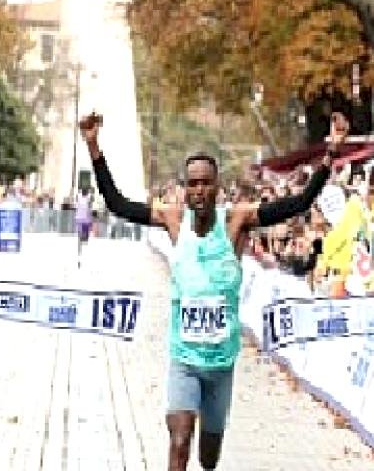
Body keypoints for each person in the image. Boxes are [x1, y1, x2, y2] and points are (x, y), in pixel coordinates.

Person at [80, 110, 348, 471]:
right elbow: (118, 204)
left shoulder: (236, 221)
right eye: (192, 184)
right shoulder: (174, 219)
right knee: (179, 441)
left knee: (208, 457)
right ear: (185, 189)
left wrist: (330, 153)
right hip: (184, 360)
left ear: (217, 187)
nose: (199, 191)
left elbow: (296, 205)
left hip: (221, 363)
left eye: (206, 183)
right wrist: (94, 146)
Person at [74, 186, 94, 260]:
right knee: (81, 232)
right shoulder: (79, 196)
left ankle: (83, 239)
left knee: (85, 232)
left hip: (84, 218)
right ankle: (81, 240)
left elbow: (90, 205)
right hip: (81, 218)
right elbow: (90, 205)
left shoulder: (87, 197)